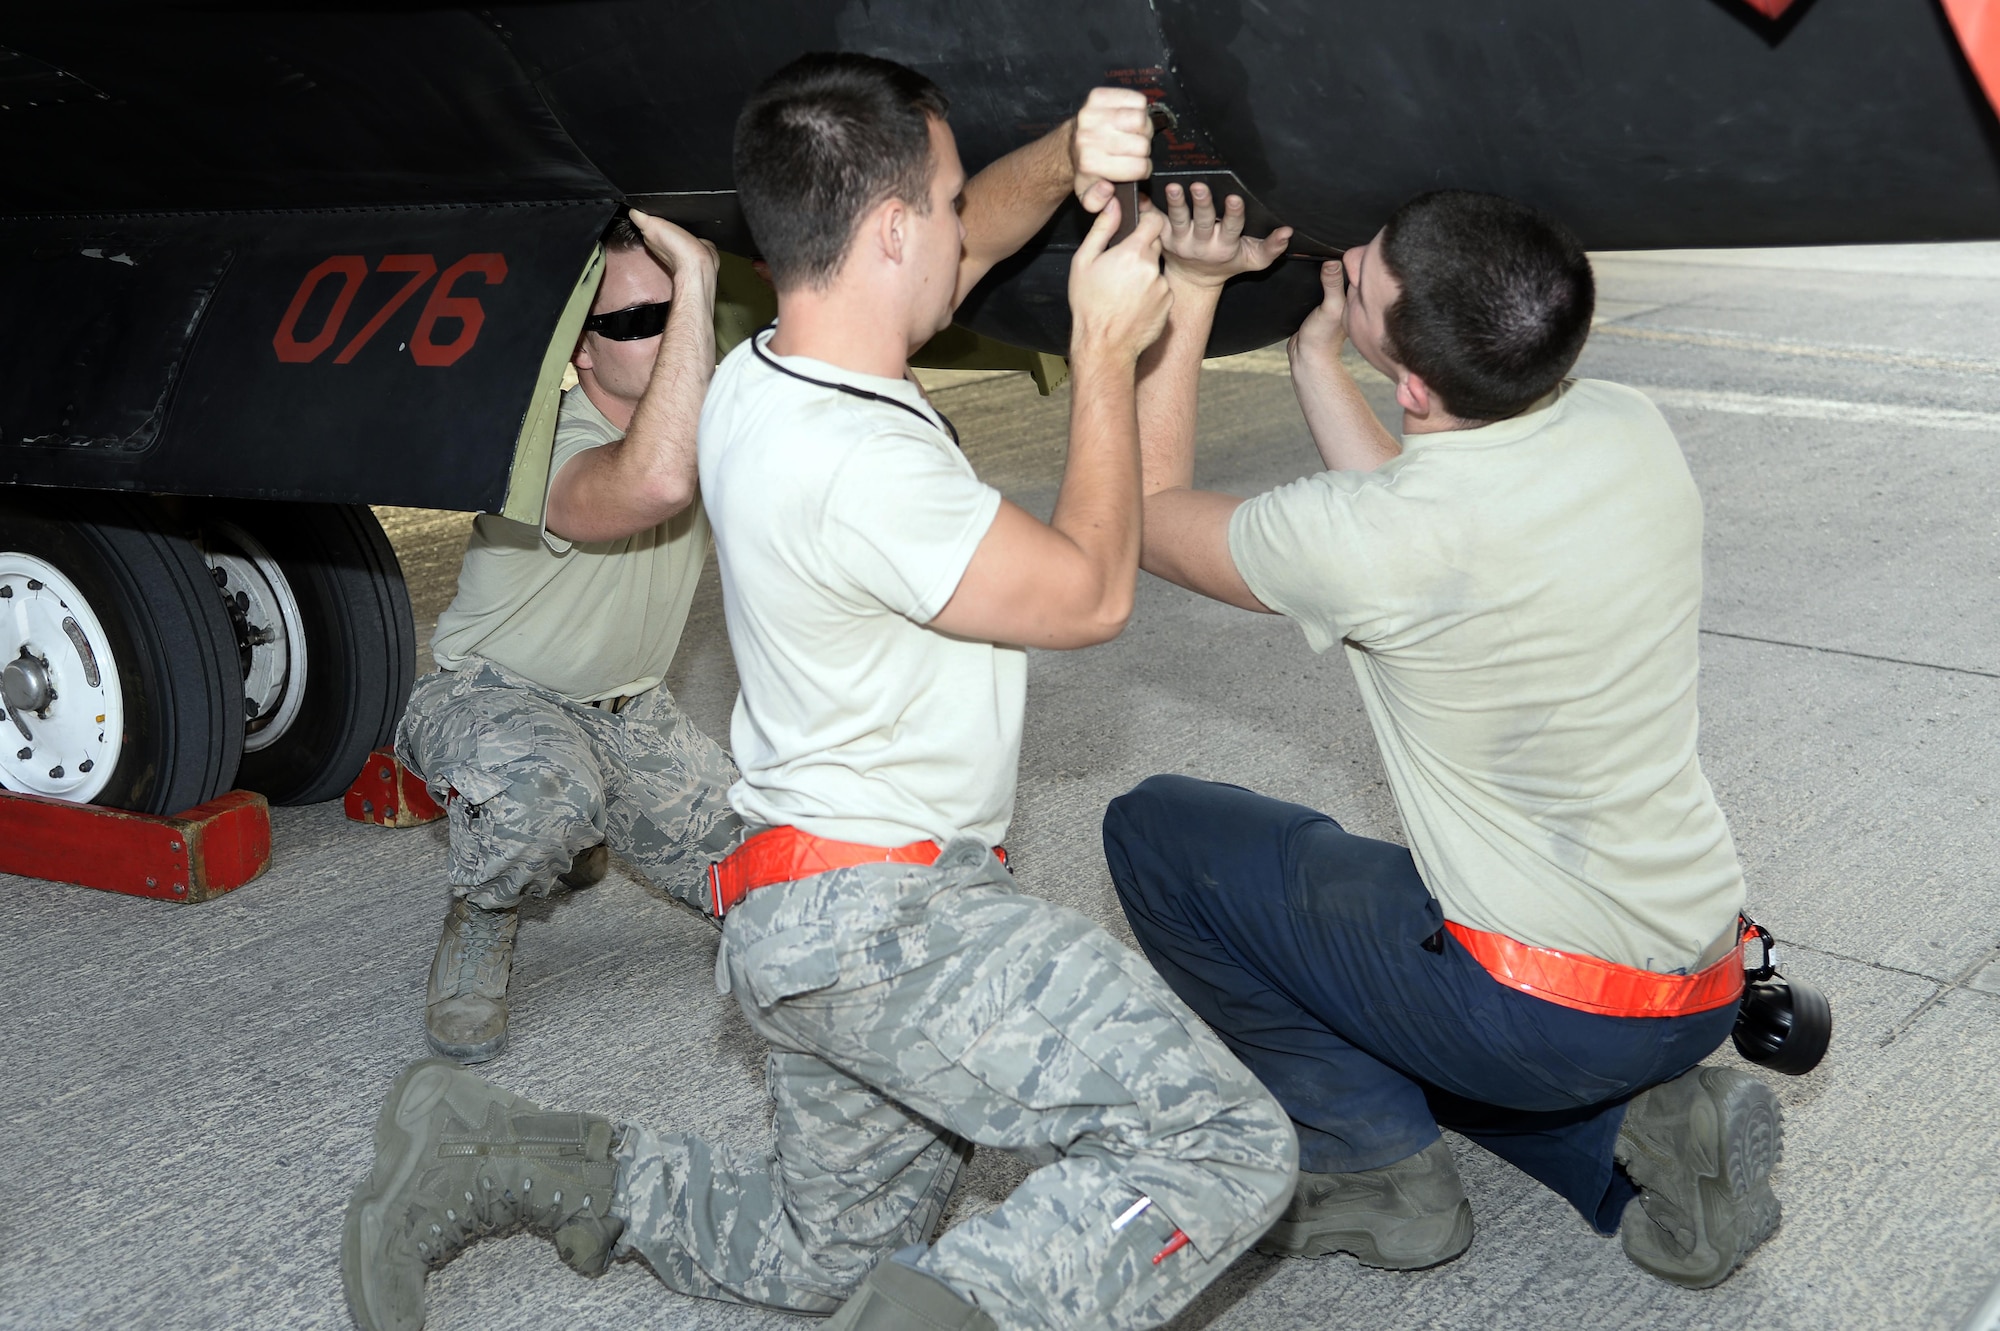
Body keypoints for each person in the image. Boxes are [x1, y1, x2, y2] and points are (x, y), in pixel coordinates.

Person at [342, 55, 1296, 1331]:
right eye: (949, 204)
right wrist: (1102, 346)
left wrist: (1068, 157)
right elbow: (1086, 596)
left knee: (819, 1257)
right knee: (1223, 1139)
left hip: (799, 914)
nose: (970, 229)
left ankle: (493, 1151)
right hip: (892, 923)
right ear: (889, 227)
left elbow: (948, 263)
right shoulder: (857, 462)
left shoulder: (766, 371)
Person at [1100, 187, 1782, 1290]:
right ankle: (1640, 1137)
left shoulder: (1373, 544)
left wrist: (1187, 294)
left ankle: (1377, 1175)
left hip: (1538, 1008)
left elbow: (1140, 503)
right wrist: (1321, 357)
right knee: (1410, 959)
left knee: (1161, 834)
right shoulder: (1624, 426)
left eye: (1360, 275)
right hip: (1698, 976)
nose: (1349, 257)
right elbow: (1427, 504)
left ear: (1413, 382)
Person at [395, 210, 740, 1063]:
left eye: (681, 310)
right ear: (580, 349)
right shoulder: (541, 440)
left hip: (632, 714)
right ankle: (485, 909)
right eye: (639, 320)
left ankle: (583, 818)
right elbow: (654, 482)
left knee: (784, 866)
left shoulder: (707, 422)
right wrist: (700, 277)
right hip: (495, 699)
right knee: (538, 799)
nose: (673, 334)